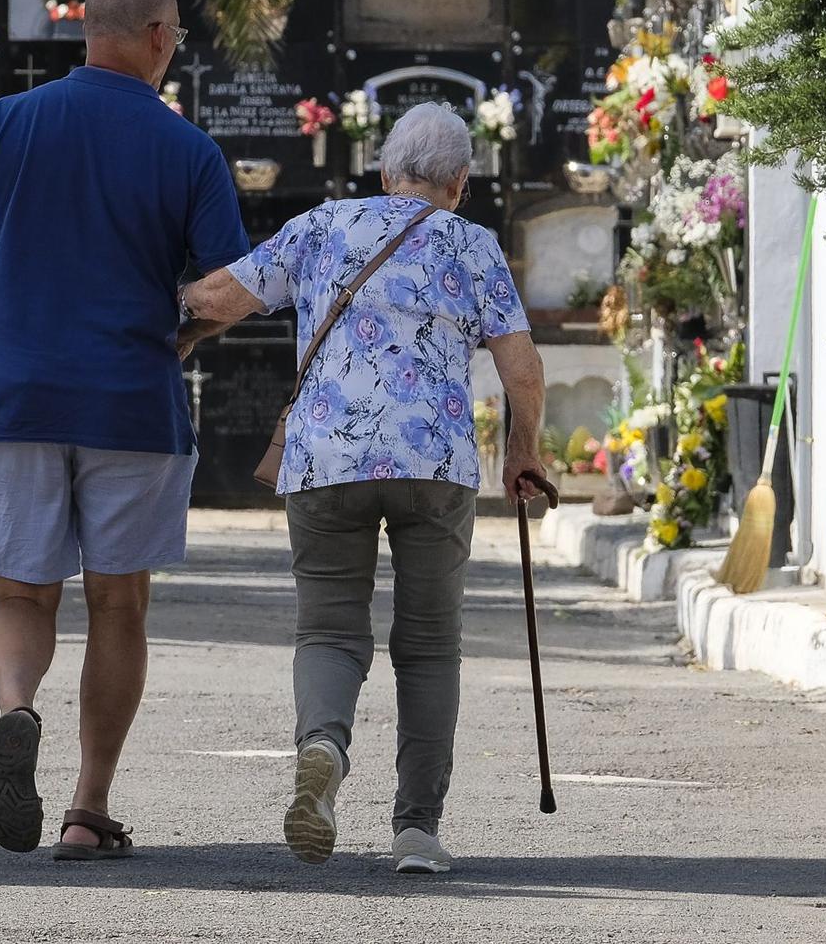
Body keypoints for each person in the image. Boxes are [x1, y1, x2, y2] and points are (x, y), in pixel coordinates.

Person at [0, 0, 249, 860]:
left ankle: (16, 711)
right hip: (133, 406)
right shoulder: (187, 150)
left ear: (87, 30)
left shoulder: (10, 122)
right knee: (119, 606)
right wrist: (178, 339)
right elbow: (230, 290)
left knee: (20, 590)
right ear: (159, 38)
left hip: (19, 394)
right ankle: (87, 809)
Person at [178, 102, 550, 876]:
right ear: (459, 183)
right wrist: (522, 455)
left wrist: (160, 310)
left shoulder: (323, 226)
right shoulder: (472, 244)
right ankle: (416, 830)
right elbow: (521, 366)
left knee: (329, 631)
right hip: (434, 467)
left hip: (327, 464)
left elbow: (219, 299)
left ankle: (322, 748)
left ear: (385, 172)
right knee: (428, 647)